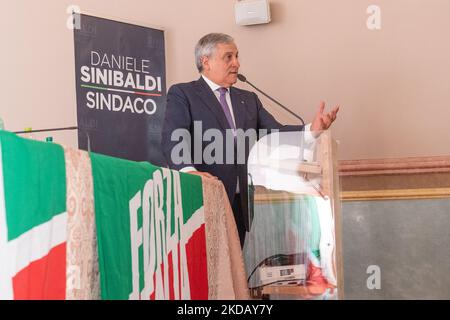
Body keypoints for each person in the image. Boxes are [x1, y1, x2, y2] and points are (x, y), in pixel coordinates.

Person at [162, 33, 339, 247]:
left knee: (236, 272)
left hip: (239, 201)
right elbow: (174, 135)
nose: (236, 63)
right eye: (228, 57)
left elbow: (275, 133)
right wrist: (189, 173)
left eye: (237, 56)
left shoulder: (247, 99)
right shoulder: (184, 93)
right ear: (205, 61)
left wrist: (312, 130)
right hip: (203, 197)